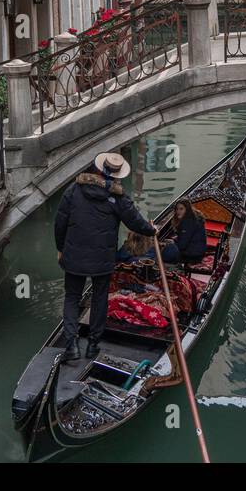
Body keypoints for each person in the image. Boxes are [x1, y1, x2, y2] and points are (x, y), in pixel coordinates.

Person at [54, 151, 156, 361]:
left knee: (72, 298)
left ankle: (71, 345)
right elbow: (135, 222)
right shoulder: (118, 197)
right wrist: (152, 230)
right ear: (117, 174)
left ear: (98, 168)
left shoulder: (74, 190)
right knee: (100, 300)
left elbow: (60, 223)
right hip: (102, 260)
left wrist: (60, 248)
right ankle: (93, 345)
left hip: (74, 256)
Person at [117, 198, 207, 267]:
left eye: (181, 209)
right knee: (164, 247)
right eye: (177, 209)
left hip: (192, 255)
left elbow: (182, 246)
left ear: (187, 210)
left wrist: (172, 242)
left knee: (166, 249)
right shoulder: (193, 219)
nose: (178, 212)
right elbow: (186, 238)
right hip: (197, 251)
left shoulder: (187, 222)